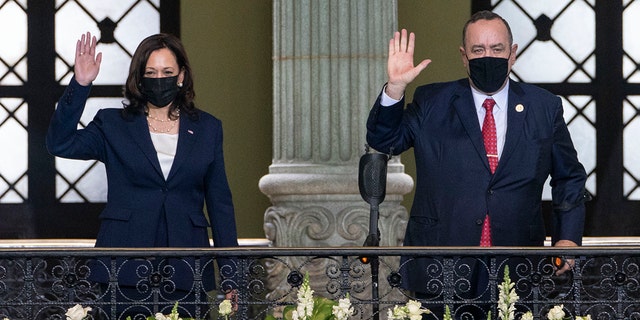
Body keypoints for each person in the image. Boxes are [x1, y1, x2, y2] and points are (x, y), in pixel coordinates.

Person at [366, 10, 590, 316]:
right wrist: (395, 89)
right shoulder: (432, 101)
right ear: (463, 56)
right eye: (478, 50)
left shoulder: (544, 107)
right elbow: (385, 140)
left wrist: (567, 238)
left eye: (497, 50)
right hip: (441, 266)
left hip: (519, 265)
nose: (489, 57)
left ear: (513, 54)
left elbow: (569, 177)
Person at [46, 32, 238, 318]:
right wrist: (81, 83)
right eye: (151, 72)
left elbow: (220, 203)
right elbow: (59, 143)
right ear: (140, 77)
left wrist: (231, 276)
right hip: (124, 264)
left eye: (167, 72)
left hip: (188, 266)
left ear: (181, 76)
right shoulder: (113, 124)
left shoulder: (208, 129)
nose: (159, 78)